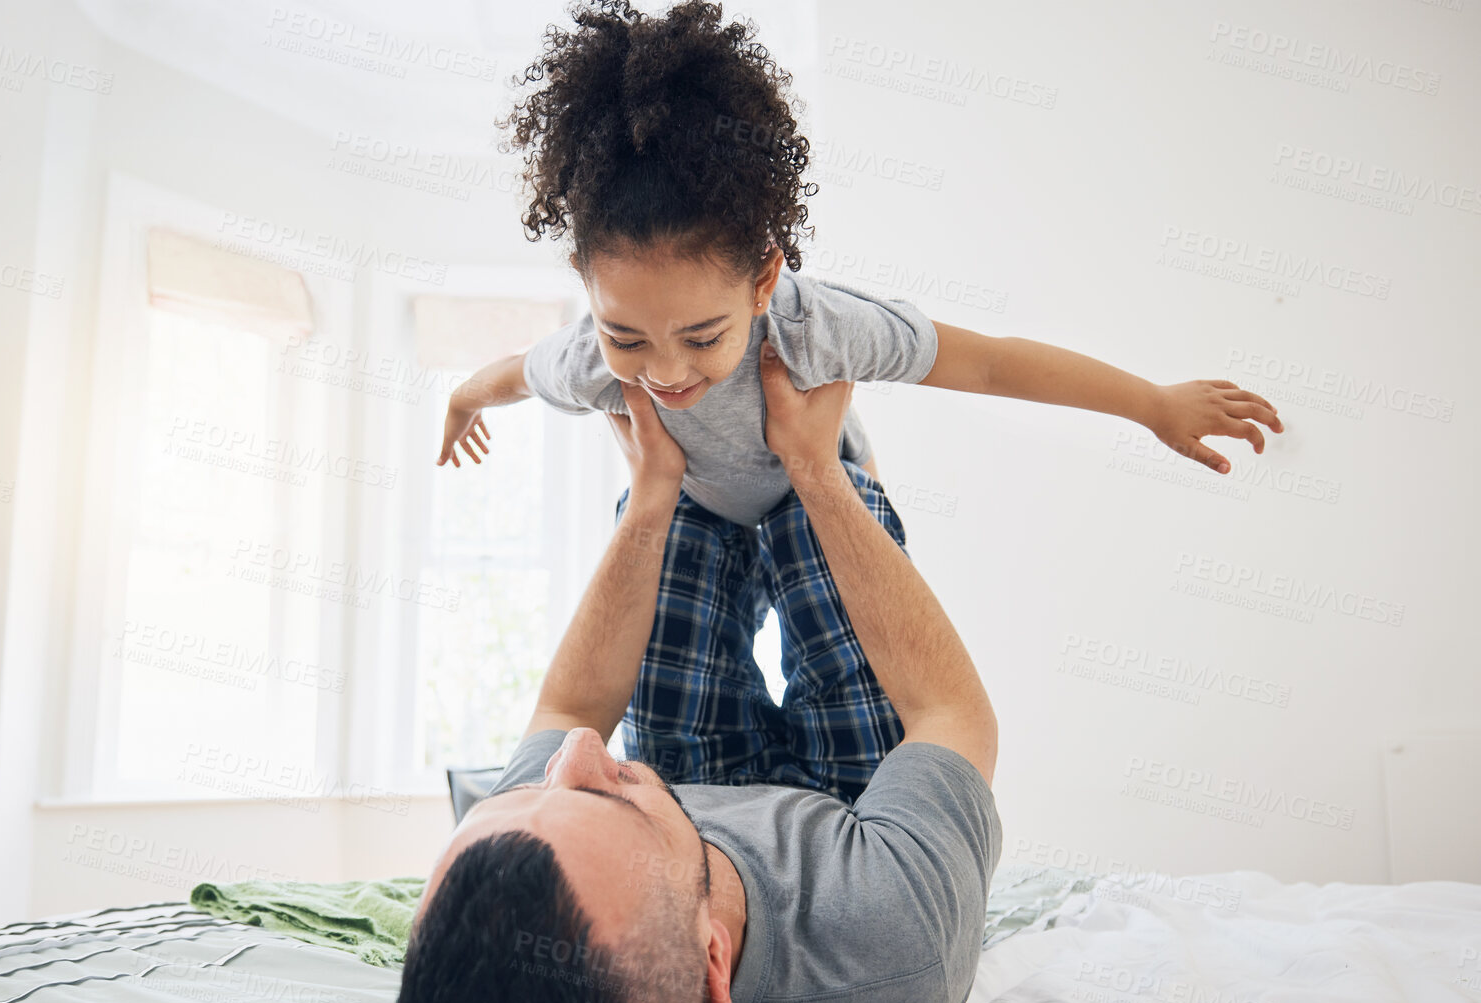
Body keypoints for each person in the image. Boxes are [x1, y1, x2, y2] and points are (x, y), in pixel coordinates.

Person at [436, 0, 1280, 770]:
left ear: (763, 281)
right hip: (689, 513)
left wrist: (1153, 404)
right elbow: (513, 373)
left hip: (816, 498)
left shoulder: (816, 331)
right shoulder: (590, 358)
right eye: (628, 338)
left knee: (863, 728)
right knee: (672, 739)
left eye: (702, 337)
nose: (665, 372)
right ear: (587, 283)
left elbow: (987, 360)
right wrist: (461, 400)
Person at [394, 350, 1000, 1003]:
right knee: (814, 519)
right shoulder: (895, 937)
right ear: (711, 958)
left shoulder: (525, 860)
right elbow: (950, 712)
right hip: (860, 817)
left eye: (532, 790)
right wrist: (816, 470)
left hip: (696, 780)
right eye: (605, 793)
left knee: (679, 528)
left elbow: (570, 705)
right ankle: (830, 474)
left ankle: (692, 498)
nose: (576, 751)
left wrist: (650, 499)